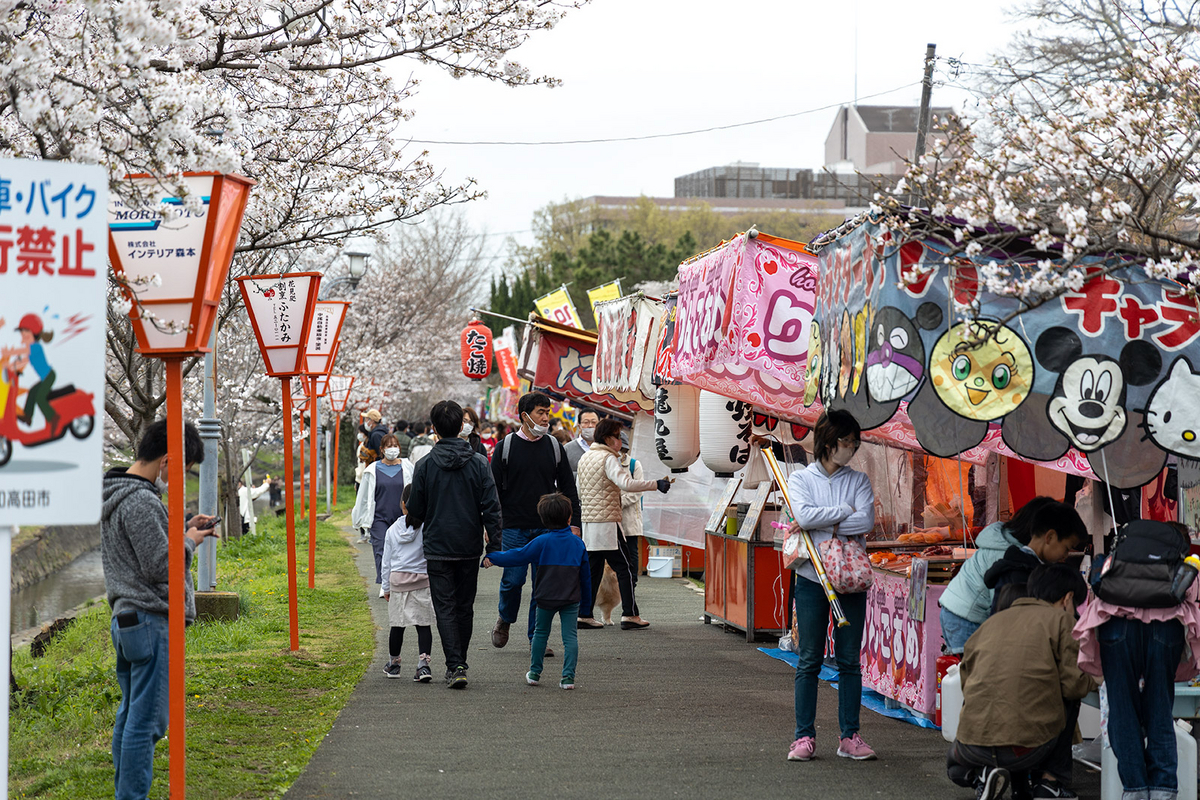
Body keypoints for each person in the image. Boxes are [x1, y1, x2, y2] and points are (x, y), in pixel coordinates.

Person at [101, 418, 219, 800]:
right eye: (182, 470)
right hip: (151, 621)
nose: (179, 478)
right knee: (147, 722)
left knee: (130, 715)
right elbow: (158, 564)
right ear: (168, 460)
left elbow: (144, 546)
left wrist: (183, 527)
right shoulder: (141, 500)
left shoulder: (119, 491)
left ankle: (125, 793)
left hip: (128, 620)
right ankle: (131, 796)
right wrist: (188, 540)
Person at [1075, 520, 1200, 800]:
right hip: (1165, 627)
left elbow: (1097, 583)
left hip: (1116, 626)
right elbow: (1191, 594)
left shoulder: (1119, 557)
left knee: (1123, 708)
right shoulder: (1182, 564)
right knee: (1159, 709)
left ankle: (1134, 790)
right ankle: (1163, 790)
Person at [948, 564, 1095, 800]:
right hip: (1026, 750)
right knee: (1065, 698)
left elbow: (967, 682)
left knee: (958, 762)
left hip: (969, 748)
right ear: (1068, 599)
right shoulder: (1060, 621)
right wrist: (1095, 676)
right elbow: (1074, 685)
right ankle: (1049, 782)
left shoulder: (990, 623)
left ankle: (982, 774)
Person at [786, 409, 877, 763]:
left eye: (855, 443)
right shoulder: (801, 479)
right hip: (811, 576)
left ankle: (849, 735)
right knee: (808, 658)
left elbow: (865, 519)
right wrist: (843, 513)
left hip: (850, 579)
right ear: (828, 441)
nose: (852, 448)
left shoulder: (860, 480)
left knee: (849, 660)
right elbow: (803, 516)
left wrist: (821, 522)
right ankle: (803, 737)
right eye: (847, 442)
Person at [406, 400, 502, 689]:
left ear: (434, 429)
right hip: (468, 544)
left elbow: (416, 509)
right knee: (464, 606)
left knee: (445, 606)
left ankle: (455, 664)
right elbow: (491, 507)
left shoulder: (424, 465)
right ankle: (460, 661)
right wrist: (493, 545)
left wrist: (412, 520)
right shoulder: (478, 463)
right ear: (462, 426)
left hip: (437, 545)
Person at [490, 391, 583, 654]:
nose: (546, 417)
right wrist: (491, 528)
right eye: (540, 412)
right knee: (513, 579)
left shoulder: (554, 447)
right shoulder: (505, 447)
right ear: (524, 416)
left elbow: (568, 488)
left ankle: (536, 638)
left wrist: (573, 522)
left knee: (542, 585)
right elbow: (493, 491)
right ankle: (505, 618)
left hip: (549, 527)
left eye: (547, 412)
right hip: (513, 525)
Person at [484, 493, 591, 689]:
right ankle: (568, 677)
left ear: (543, 519)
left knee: (540, 633)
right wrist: (586, 605)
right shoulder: (578, 544)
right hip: (570, 597)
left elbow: (517, 556)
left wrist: (493, 557)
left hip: (545, 596)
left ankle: (535, 673)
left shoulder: (541, 542)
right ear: (569, 518)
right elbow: (586, 577)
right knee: (570, 637)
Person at [575, 418, 667, 630]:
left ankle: (584, 613)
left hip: (590, 524)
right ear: (608, 439)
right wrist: (656, 484)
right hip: (608, 522)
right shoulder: (608, 458)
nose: (620, 441)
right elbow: (626, 483)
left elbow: (580, 491)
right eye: (617, 436)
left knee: (593, 570)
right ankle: (630, 614)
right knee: (625, 568)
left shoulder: (585, 458)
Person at [938, 496, 1057, 654]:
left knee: (967, 671)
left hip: (958, 610)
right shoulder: (1007, 553)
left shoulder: (1006, 543)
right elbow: (1001, 608)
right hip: (965, 616)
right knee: (973, 672)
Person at [984, 502, 1088, 615]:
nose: (1066, 555)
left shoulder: (1028, 568)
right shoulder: (1019, 575)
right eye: (1067, 548)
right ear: (1050, 537)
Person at [380, 484, 434, 683]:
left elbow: (386, 562)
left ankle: (394, 664)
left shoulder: (392, 529)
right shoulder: (427, 526)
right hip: (422, 580)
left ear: (403, 504)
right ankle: (424, 665)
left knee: (397, 626)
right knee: (423, 624)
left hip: (398, 582)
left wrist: (386, 587)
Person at [352, 434, 412, 598]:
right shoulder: (372, 470)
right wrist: (358, 518)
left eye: (395, 445)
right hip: (379, 517)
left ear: (399, 448)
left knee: (400, 550)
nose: (392, 449)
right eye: (388, 446)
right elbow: (363, 496)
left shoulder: (407, 467)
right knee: (381, 549)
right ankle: (384, 583)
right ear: (382, 450)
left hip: (401, 516)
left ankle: (399, 581)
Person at [12, 314, 57, 429]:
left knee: (40, 397)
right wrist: (12, 368)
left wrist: (9, 353)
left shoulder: (35, 347)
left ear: (33, 332)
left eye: (25, 331)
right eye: (22, 331)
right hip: (45, 378)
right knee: (32, 391)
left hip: (49, 377)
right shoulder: (31, 349)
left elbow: (23, 351)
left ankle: (53, 418)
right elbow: (23, 361)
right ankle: (28, 416)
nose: (22, 334)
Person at [564, 409, 598, 474]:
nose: (590, 425)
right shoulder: (567, 449)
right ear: (579, 426)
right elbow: (561, 474)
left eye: (594, 422)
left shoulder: (606, 448)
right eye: (586, 422)